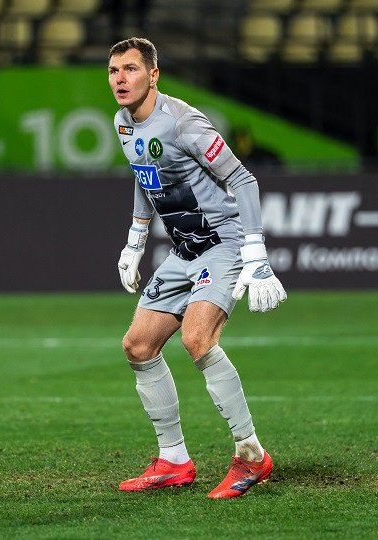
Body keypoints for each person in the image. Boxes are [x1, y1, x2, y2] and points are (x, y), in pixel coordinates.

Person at [108, 37, 287, 499]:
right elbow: (143, 173)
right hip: (184, 250)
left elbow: (243, 180)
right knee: (138, 345)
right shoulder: (123, 122)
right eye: (113, 71)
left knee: (197, 338)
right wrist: (136, 238)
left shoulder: (185, 123)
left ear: (153, 75)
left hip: (222, 244)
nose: (120, 79)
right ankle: (173, 460)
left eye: (130, 69)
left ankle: (251, 456)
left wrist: (256, 254)